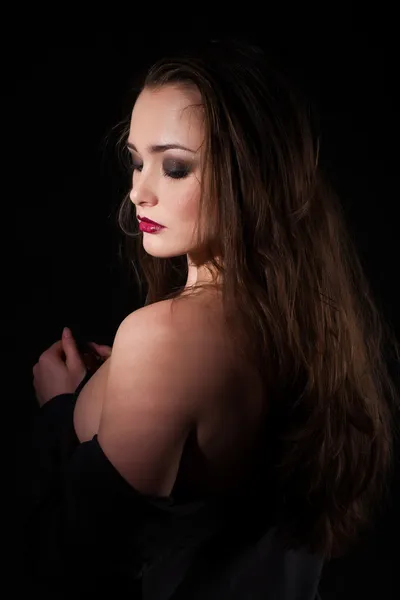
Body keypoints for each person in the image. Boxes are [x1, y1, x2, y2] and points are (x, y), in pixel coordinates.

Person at [25, 37, 399, 599]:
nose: (138, 191)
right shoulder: (317, 327)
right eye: (135, 160)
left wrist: (59, 411)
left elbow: (77, 570)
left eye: (174, 167)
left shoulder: (164, 338)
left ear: (251, 176)